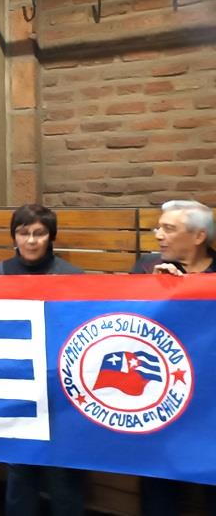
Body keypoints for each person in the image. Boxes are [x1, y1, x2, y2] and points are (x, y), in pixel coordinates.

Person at [0, 205, 84, 516]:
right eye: (23, 233)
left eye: (39, 233)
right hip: (18, 386)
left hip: (61, 390)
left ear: (51, 237)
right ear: (14, 236)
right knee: (20, 472)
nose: (30, 240)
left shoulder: (73, 276)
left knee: (64, 475)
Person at [132, 200, 216, 515]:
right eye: (158, 227)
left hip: (210, 406)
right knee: (157, 493)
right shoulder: (146, 267)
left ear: (198, 236)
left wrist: (190, 289)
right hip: (161, 403)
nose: (158, 235)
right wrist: (154, 290)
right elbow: (129, 325)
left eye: (168, 228)